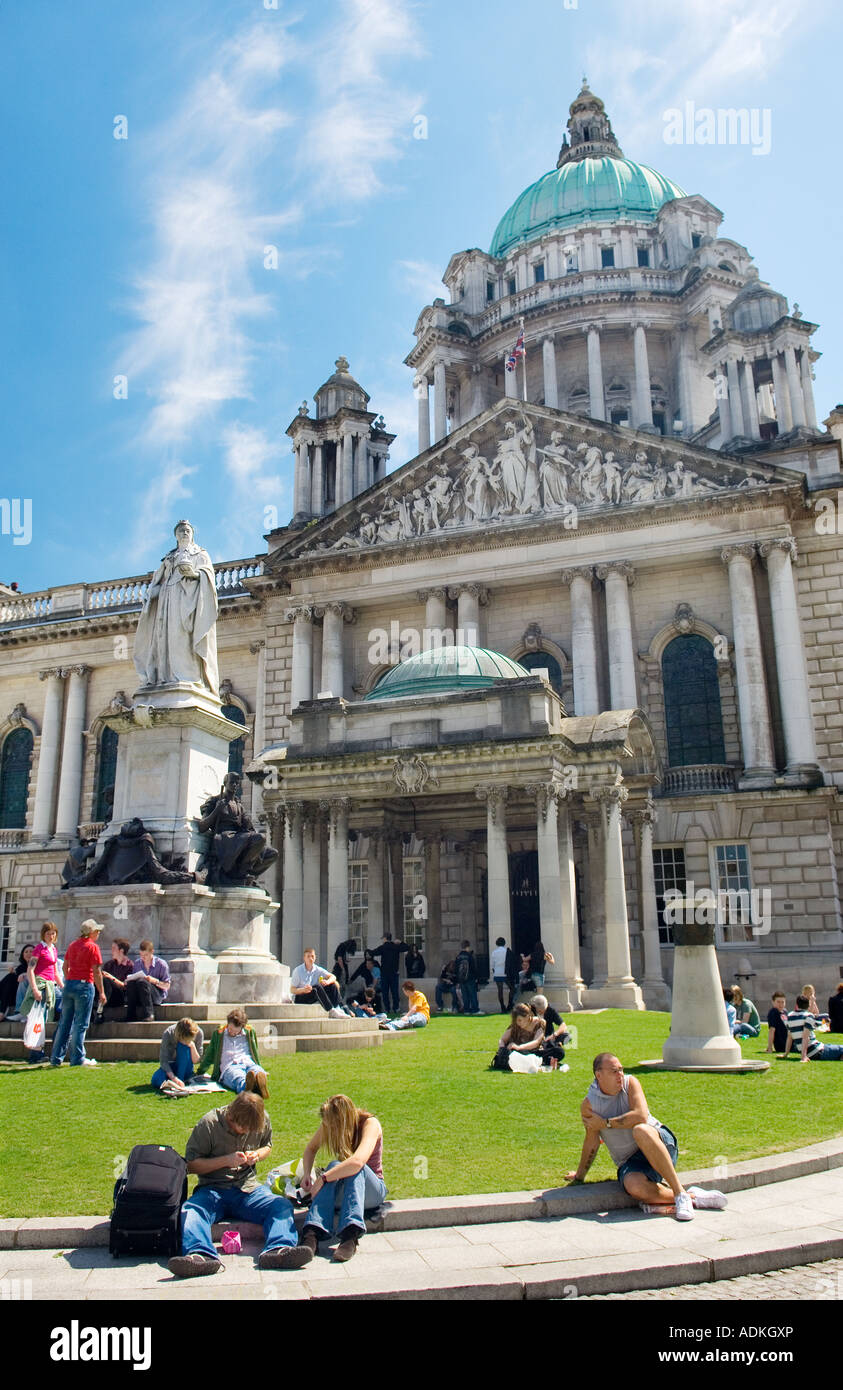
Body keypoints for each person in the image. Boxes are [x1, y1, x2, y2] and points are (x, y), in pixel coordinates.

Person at [565, 1053, 727, 1220]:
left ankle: (679, 1193)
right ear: (599, 1075)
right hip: (631, 1162)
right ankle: (692, 1197)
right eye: (614, 1071)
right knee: (634, 1187)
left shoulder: (631, 1083)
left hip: (660, 1142)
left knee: (640, 1130)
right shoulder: (589, 1105)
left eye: (621, 1069)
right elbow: (591, 1142)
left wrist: (605, 1123)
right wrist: (579, 1176)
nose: (620, 1074)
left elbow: (640, 1116)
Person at [169, 1091, 307, 1277]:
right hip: (213, 1189)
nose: (246, 1132)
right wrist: (226, 1160)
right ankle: (200, 1256)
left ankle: (278, 1250)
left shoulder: (261, 1120)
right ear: (231, 1116)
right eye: (242, 1128)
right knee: (192, 1210)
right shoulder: (209, 1124)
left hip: (248, 1188)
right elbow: (191, 1165)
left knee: (281, 1205)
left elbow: (267, 1146)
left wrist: (257, 1154)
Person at [298, 1094, 387, 1263]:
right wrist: (309, 1174)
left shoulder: (370, 1124)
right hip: (346, 1191)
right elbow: (311, 1148)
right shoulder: (329, 1123)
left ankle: (350, 1235)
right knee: (334, 1166)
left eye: (331, 1126)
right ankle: (311, 1234)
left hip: (372, 1191)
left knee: (353, 1168)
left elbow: (358, 1161)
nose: (328, 1129)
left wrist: (323, 1179)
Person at [49, 919, 106, 1068]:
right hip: (84, 984)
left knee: (65, 1023)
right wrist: (102, 992)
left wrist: (69, 981)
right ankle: (78, 1058)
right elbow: (97, 971)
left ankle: (56, 1058)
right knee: (81, 1024)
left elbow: (65, 966)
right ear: (91, 932)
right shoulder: (93, 947)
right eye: (97, 931)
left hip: (70, 985)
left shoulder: (73, 945)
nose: (99, 933)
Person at [197, 1007, 269, 1097]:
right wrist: (200, 1071)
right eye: (230, 1029)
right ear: (228, 1024)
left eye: (236, 1032)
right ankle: (248, 1086)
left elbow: (255, 1050)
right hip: (230, 1066)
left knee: (256, 1069)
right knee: (237, 1077)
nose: (232, 1033)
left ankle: (259, 1080)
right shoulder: (219, 1034)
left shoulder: (249, 1032)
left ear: (242, 1027)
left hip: (247, 1061)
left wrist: (258, 1065)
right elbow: (209, 1054)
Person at [18, 923, 60, 1062]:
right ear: (44, 934)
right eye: (48, 933)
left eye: (53, 933)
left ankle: (39, 1050)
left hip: (50, 985)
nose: (51, 936)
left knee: (46, 1017)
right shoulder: (39, 948)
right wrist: (35, 989)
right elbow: (30, 970)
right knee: (38, 1019)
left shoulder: (53, 949)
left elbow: (55, 973)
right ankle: (35, 1053)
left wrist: (63, 987)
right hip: (40, 984)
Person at [150, 1017, 205, 1090]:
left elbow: (197, 1061)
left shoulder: (199, 1033)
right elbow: (163, 1060)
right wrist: (173, 1078)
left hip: (186, 1065)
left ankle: (181, 1079)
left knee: (183, 1047)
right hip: (171, 1066)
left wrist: (192, 1046)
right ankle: (174, 1083)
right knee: (156, 1079)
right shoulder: (168, 1033)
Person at [290, 948, 348, 1015]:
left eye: (312, 956)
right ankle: (331, 1011)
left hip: (312, 994)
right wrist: (303, 990)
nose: (310, 958)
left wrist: (327, 982)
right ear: (304, 958)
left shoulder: (317, 969)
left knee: (332, 985)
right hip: (300, 997)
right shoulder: (298, 971)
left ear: (315, 958)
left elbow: (333, 977)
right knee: (316, 987)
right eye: (308, 956)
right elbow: (292, 989)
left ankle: (337, 1007)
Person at [785, 995, 843, 1061]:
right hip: (816, 1051)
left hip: (811, 1050)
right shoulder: (808, 1016)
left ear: (797, 1004)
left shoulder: (790, 1016)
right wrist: (803, 1057)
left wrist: (786, 1054)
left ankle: (840, 1057)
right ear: (808, 1005)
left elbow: (789, 1037)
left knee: (831, 1047)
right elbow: (805, 1037)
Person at [125, 940, 170, 1022]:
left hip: (156, 995)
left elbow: (167, 985)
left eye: (146, 955)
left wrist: (154, 981)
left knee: (143, 982)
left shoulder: (161, 964)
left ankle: (149, 1014)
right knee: (131, 983)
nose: (143, 958)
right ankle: (130, 1014)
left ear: (152, 952)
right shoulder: (138, 963)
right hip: (141, 994)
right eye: (141, 955)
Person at [492, 1002, 545, 1069]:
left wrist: (519, 1047)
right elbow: (502, 1039)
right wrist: (502, 1049)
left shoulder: (540, 1023)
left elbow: (536, 1042)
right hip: (517, 1052)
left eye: (520, 1020)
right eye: (516, 1021)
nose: (518, 1023)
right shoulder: (515, 1025)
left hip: (533, 1052)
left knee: (557, 1051)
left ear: (528, 1016)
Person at [531, 994, 571, 1070]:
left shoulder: (550, 1010)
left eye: (544, 1011)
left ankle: (555, 1046)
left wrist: (554, 1035)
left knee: (567, 1035)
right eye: (539, 1011)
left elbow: (563, 1025)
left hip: (549, 1037)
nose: (542, 1013)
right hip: (535, 1039)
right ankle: (548, 1057)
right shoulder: (530, 1011)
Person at [371, 934, 408, 1014]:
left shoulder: (383, 947)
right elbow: (406, 947)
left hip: (384, 973)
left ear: (385, 938)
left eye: (383, 939)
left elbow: (373, 952)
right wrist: (400, 942)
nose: (382, 940)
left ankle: (387, 1009)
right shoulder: (396, 946)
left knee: (385, 992)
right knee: (395, 992)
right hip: (394, 973)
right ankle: (396, 1008)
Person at [99, 938, 134, 1019]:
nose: (111, 951)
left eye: (114, 948)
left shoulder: (130, 966)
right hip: (107, 995)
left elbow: (126, 986)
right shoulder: (109, 964)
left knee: (107, 980)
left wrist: (111, 978)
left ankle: (99, 1010)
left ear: (121, 951)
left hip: (120, 996)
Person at [0, 944, 35, 1020]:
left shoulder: (37, 965)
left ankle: (2, 1011)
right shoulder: (21, 967)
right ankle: (2, 1011)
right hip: (15, 994)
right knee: (10, 976)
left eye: (31, 951)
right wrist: (13, 972)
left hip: (30, 991)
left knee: (12, 977)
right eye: (26, 952)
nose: (28, 953)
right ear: (23, 955)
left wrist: (25, 974)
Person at [455, 940, 479, 1014]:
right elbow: (473, 967)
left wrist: (458, 980)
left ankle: (466, 1010)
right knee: (472, 994)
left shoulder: (458, 957)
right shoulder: (469, 956)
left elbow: (456, 969)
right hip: (470, 978)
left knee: (465, 995)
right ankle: (475, 1010)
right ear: (467, 947)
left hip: (461, 979)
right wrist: (476, 977)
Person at [490, 936, 511, 1014]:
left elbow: (492, 964)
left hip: (497, 972)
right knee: (512, 988)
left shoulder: (494, 952)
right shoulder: (506, 951)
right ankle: (509, 1004)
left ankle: (502, 1006)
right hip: (506, 972)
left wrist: (494, 971)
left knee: (500, 990)